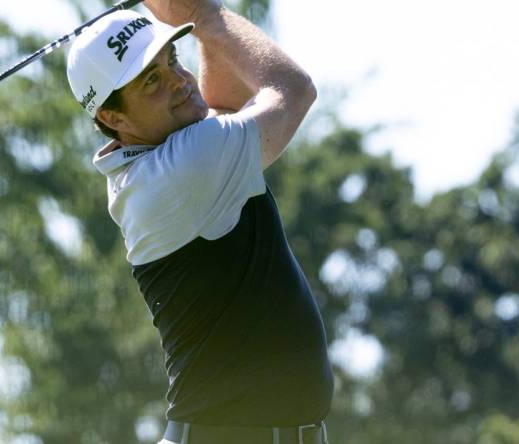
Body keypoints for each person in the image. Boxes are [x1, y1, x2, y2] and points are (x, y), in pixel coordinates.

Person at [66, 1, 333, 443]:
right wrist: (204, 15)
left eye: (172, 59)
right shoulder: (180, 170)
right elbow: (292, 90)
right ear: (112, 118)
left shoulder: (159, 161)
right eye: (152, 80)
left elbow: (223, 107)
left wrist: (205, 25)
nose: (179, 81)